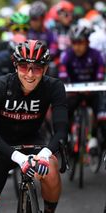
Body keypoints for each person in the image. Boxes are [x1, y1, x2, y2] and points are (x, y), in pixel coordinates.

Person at [0, 40, 68, 213]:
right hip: (0, 146)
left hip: (33, 143)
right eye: (24, 67)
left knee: (51, 170)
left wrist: (45, 155)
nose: (30, 74)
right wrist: (20, 159)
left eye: (37, 68)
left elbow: (61, 131)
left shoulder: (54, 87)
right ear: (15, 66)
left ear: (45, 69)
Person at [58, 24, 105, 155]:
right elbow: (62, 75)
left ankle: (95, 138)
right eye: (74, 43)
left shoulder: (97, 56)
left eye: (80, 42)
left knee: (102, 113)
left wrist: (93, 87)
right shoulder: (66, 55)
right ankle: (65, 139)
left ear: (87, 42)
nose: (77, 46)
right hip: (74, 93)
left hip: (93, 92)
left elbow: (100, 76)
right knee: (63, 112)